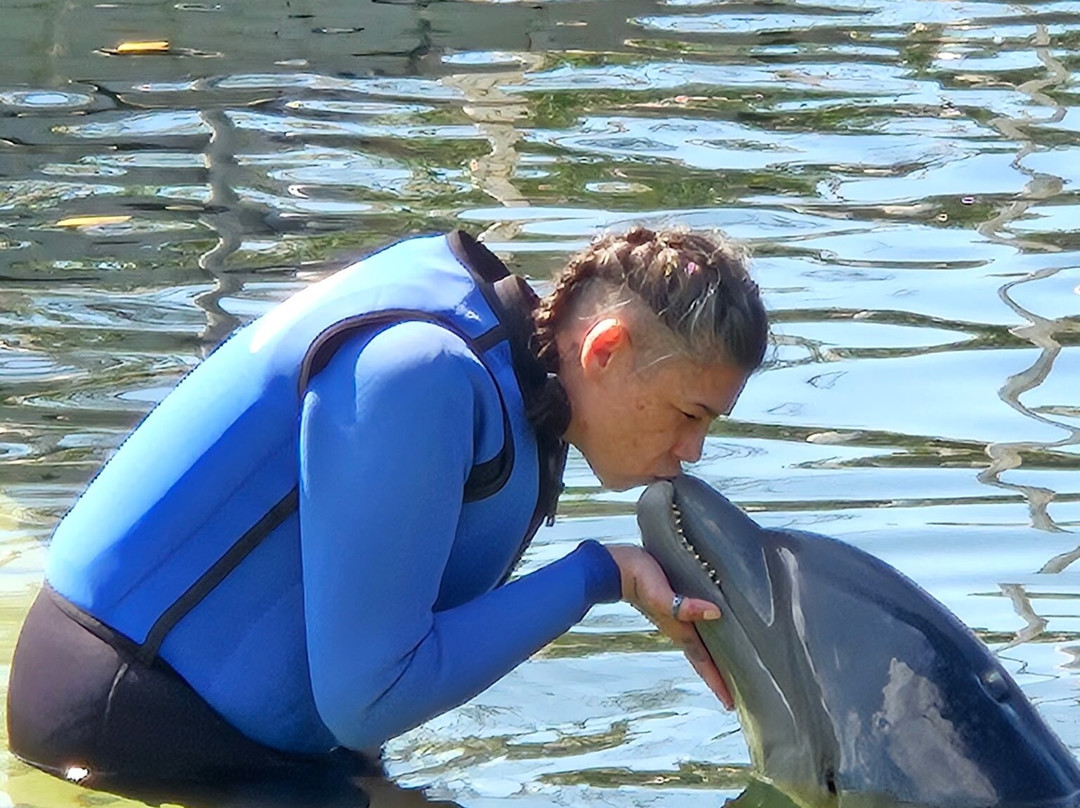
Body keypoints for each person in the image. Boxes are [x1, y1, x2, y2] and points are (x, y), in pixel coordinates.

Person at [6, 226, 768, 789]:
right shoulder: (422, 373)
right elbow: (371, 697)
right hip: (134, 727)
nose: (693, 451)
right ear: (606, 351)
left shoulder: (516, 365)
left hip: (268, 742)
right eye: (689, 413)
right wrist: (602, 576)